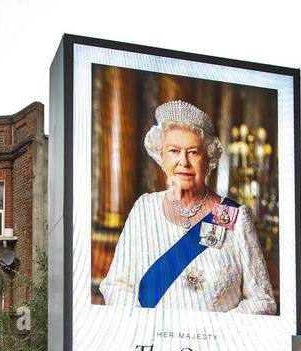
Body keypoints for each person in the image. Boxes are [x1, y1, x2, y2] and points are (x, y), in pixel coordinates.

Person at [99, 99, 276, 314]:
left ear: (208, 159)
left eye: (193, 152)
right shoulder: (144, 209)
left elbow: (262, 300)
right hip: (153, 345)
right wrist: (145, 328)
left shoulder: (231, 215)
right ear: (161, 156)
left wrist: (211, 332)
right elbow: (117, 285)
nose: (183, 161)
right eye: (173, 151)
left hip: (213, 346)